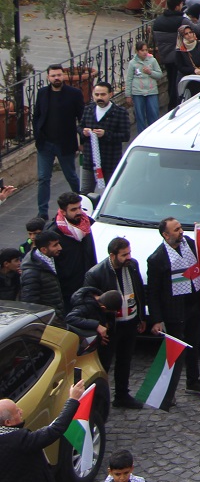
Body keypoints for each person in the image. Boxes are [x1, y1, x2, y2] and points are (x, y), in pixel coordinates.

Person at [83, 236, 146, 408]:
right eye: (124, 255)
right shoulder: (95, 274)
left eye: (129, 253)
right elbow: (89, 304)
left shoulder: (132, 266)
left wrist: (140, 317)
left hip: (130, 321)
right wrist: (100, 326)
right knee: (103, 364)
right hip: (111, 327)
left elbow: (138, 290)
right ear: (112, 255)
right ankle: (96, 400)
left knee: (125, 361)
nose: (128, 257)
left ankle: (122, 395)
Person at [146, 217, 200, 394]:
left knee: (194, 345)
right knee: (175, 352)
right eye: (176, 229)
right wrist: (156, 319)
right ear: (166, 234)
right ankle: (167, 391)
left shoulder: (189, 245)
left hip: (193, 304)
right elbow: (152, 292)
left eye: (180, 228)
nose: (181, 232)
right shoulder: (157, 259)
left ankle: (193, 381)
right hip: (174, 311)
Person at [0, 379, 87, 482]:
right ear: (8, 422)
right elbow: (55, 430)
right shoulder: (19, 439)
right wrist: (73, 399)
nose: (21, 411)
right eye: (17, 412)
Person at [32, 64, 84, 219]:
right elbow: (37, 116)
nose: (56, 78)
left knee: (71, 176)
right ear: (48, 77)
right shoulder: (42, 93)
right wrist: (37, 134)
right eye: (53, 75)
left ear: (63, 76)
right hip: (45, 143)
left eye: (59, 75)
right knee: (43, 178)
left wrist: (82, 141)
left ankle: (79, 204)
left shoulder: (74, 93)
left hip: (65, 143)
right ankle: (42, 212)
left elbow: (82, 118)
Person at [79, 81, 131, 197]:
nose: (99, 97)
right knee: (85, 193)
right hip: (90, 160)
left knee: (111, 193)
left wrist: (106, 134)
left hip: (110, 160)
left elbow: (125, 135)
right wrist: (84, 132)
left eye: (103, 94)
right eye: (97, 95)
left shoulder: (119, 112)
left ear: (110, 94)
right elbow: (80, 127)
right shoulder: (88, 109)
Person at [47, 191, 97, 305]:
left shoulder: (88, 224)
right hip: (68, 290)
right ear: (63, 212)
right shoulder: (54, 233)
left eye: (79, 207)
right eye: (73, 209)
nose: (79, 212)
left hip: (89, 285)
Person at [19, 231, 65, 318]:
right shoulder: (32, 273)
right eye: (55, 245)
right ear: (44, 249)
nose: (60, 248)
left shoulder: (50, 259)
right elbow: (30, 305)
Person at [124, 41, 165, 135]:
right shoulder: (133, 63)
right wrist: (128, 95)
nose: (145, 52)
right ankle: (141, 135)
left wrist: (150, 72)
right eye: (142, 50)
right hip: (138, 92)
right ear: (137, 51)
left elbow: (159, 74)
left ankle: (153, 134)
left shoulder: (152, 60)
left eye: (146, 50)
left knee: (153, 113)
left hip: (151, 91)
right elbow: (129, 79)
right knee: (140, 115)